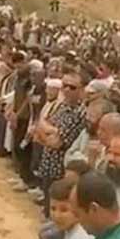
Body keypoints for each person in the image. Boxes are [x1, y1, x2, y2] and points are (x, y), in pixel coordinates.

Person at [34, 68, 86, 217]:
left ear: (81, 90)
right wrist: (50, 131)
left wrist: (47, 130)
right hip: (48, 163)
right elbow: (39, 126)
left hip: (61, 169)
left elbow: (56, 143)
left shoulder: (79, 113)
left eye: (72, 87)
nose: (67, 90)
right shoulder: (61, 106)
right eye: (65, 86)